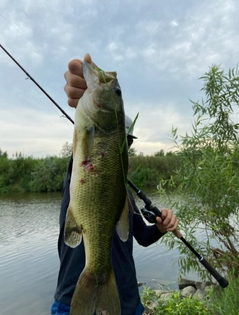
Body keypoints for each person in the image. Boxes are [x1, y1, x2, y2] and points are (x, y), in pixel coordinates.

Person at [51, 54, 179, 315]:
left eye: (128, 141)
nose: (126, 145)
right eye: (126, 140)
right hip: (73, 299)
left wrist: (161, 228)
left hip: (126, 301)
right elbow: (83, 146)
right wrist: (82, 89)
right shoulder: (80, 168)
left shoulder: (124, 194)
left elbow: (140, 237)